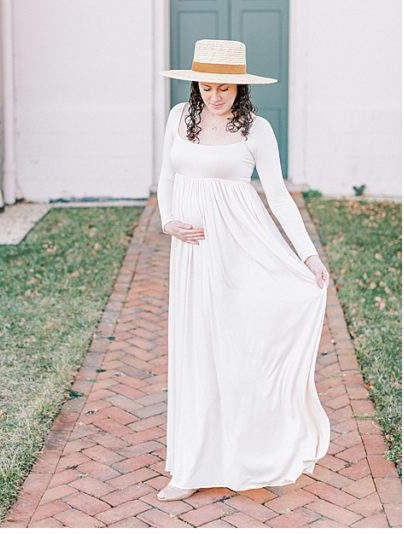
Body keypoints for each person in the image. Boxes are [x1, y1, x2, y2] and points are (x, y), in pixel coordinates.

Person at [155, 39, 330, 502]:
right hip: (192, 253)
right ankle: (190, 466)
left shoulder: (257, 129)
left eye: (225, 88)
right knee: (196, 349)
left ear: (240, 88)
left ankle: (256, 451)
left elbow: (276, 196)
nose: (215, 96)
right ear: (196, 84)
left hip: (241, 249)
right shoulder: (178, 116)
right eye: (207, 87)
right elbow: (166, 177)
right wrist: (166, 219)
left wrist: (308, 255)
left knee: (240, 346)